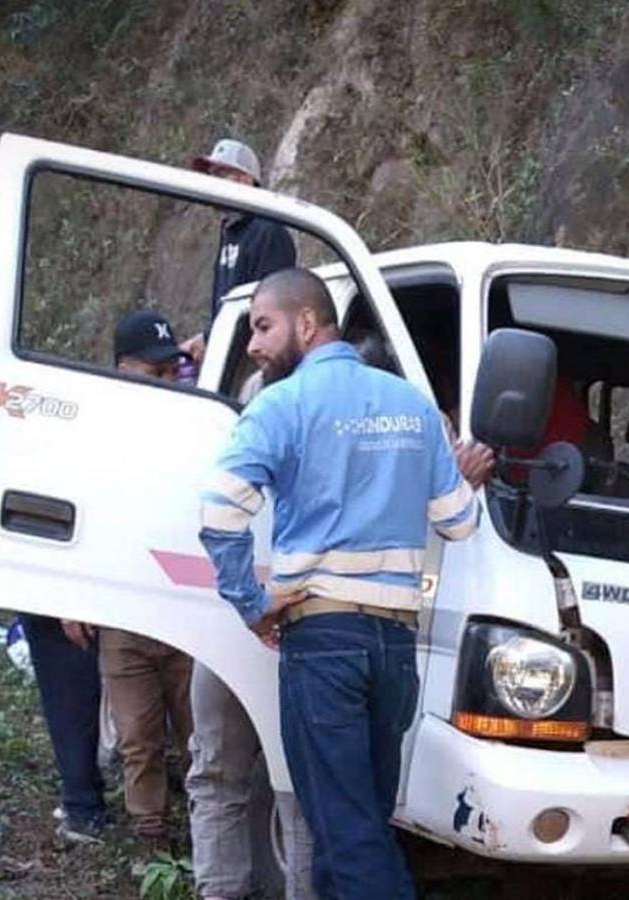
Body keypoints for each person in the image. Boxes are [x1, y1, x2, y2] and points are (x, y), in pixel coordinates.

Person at [199, 268, 481, 898]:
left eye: (262, 326)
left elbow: (218, 513)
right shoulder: (414, 406)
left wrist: (251, 601)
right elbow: (459, 522)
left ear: (307, 322)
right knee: (354, 825)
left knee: (348, 836)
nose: (253, 344)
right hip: (394, 647)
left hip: (323, 642)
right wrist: (456, 480)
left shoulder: (281, 405)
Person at [98, 310, 196, 845]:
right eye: (151, 373)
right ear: (120, 369)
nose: (163, 383)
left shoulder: (192, 421)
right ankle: (151, 839)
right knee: (138, 735)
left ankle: (207, 834)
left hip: (185, 606)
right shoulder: (96, 430)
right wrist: (75, 599)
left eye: (169, 373)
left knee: (198, 731)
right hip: (123, 606)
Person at [181, 138, 297, 365]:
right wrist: (206, 337)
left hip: (254, 362)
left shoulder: (268, 232)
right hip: (229, 357)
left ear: (246, 179)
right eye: (212, 176)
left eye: (222, 175)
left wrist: (211, 340)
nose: (213, 183)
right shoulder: (231, 229)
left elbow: (268, 311)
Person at [18, 611, 107, 845]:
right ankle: (82, 807)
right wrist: (69, 610)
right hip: (59, 601)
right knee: (71, 703)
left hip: (59, 598)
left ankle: (83, 797)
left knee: (70, 701)